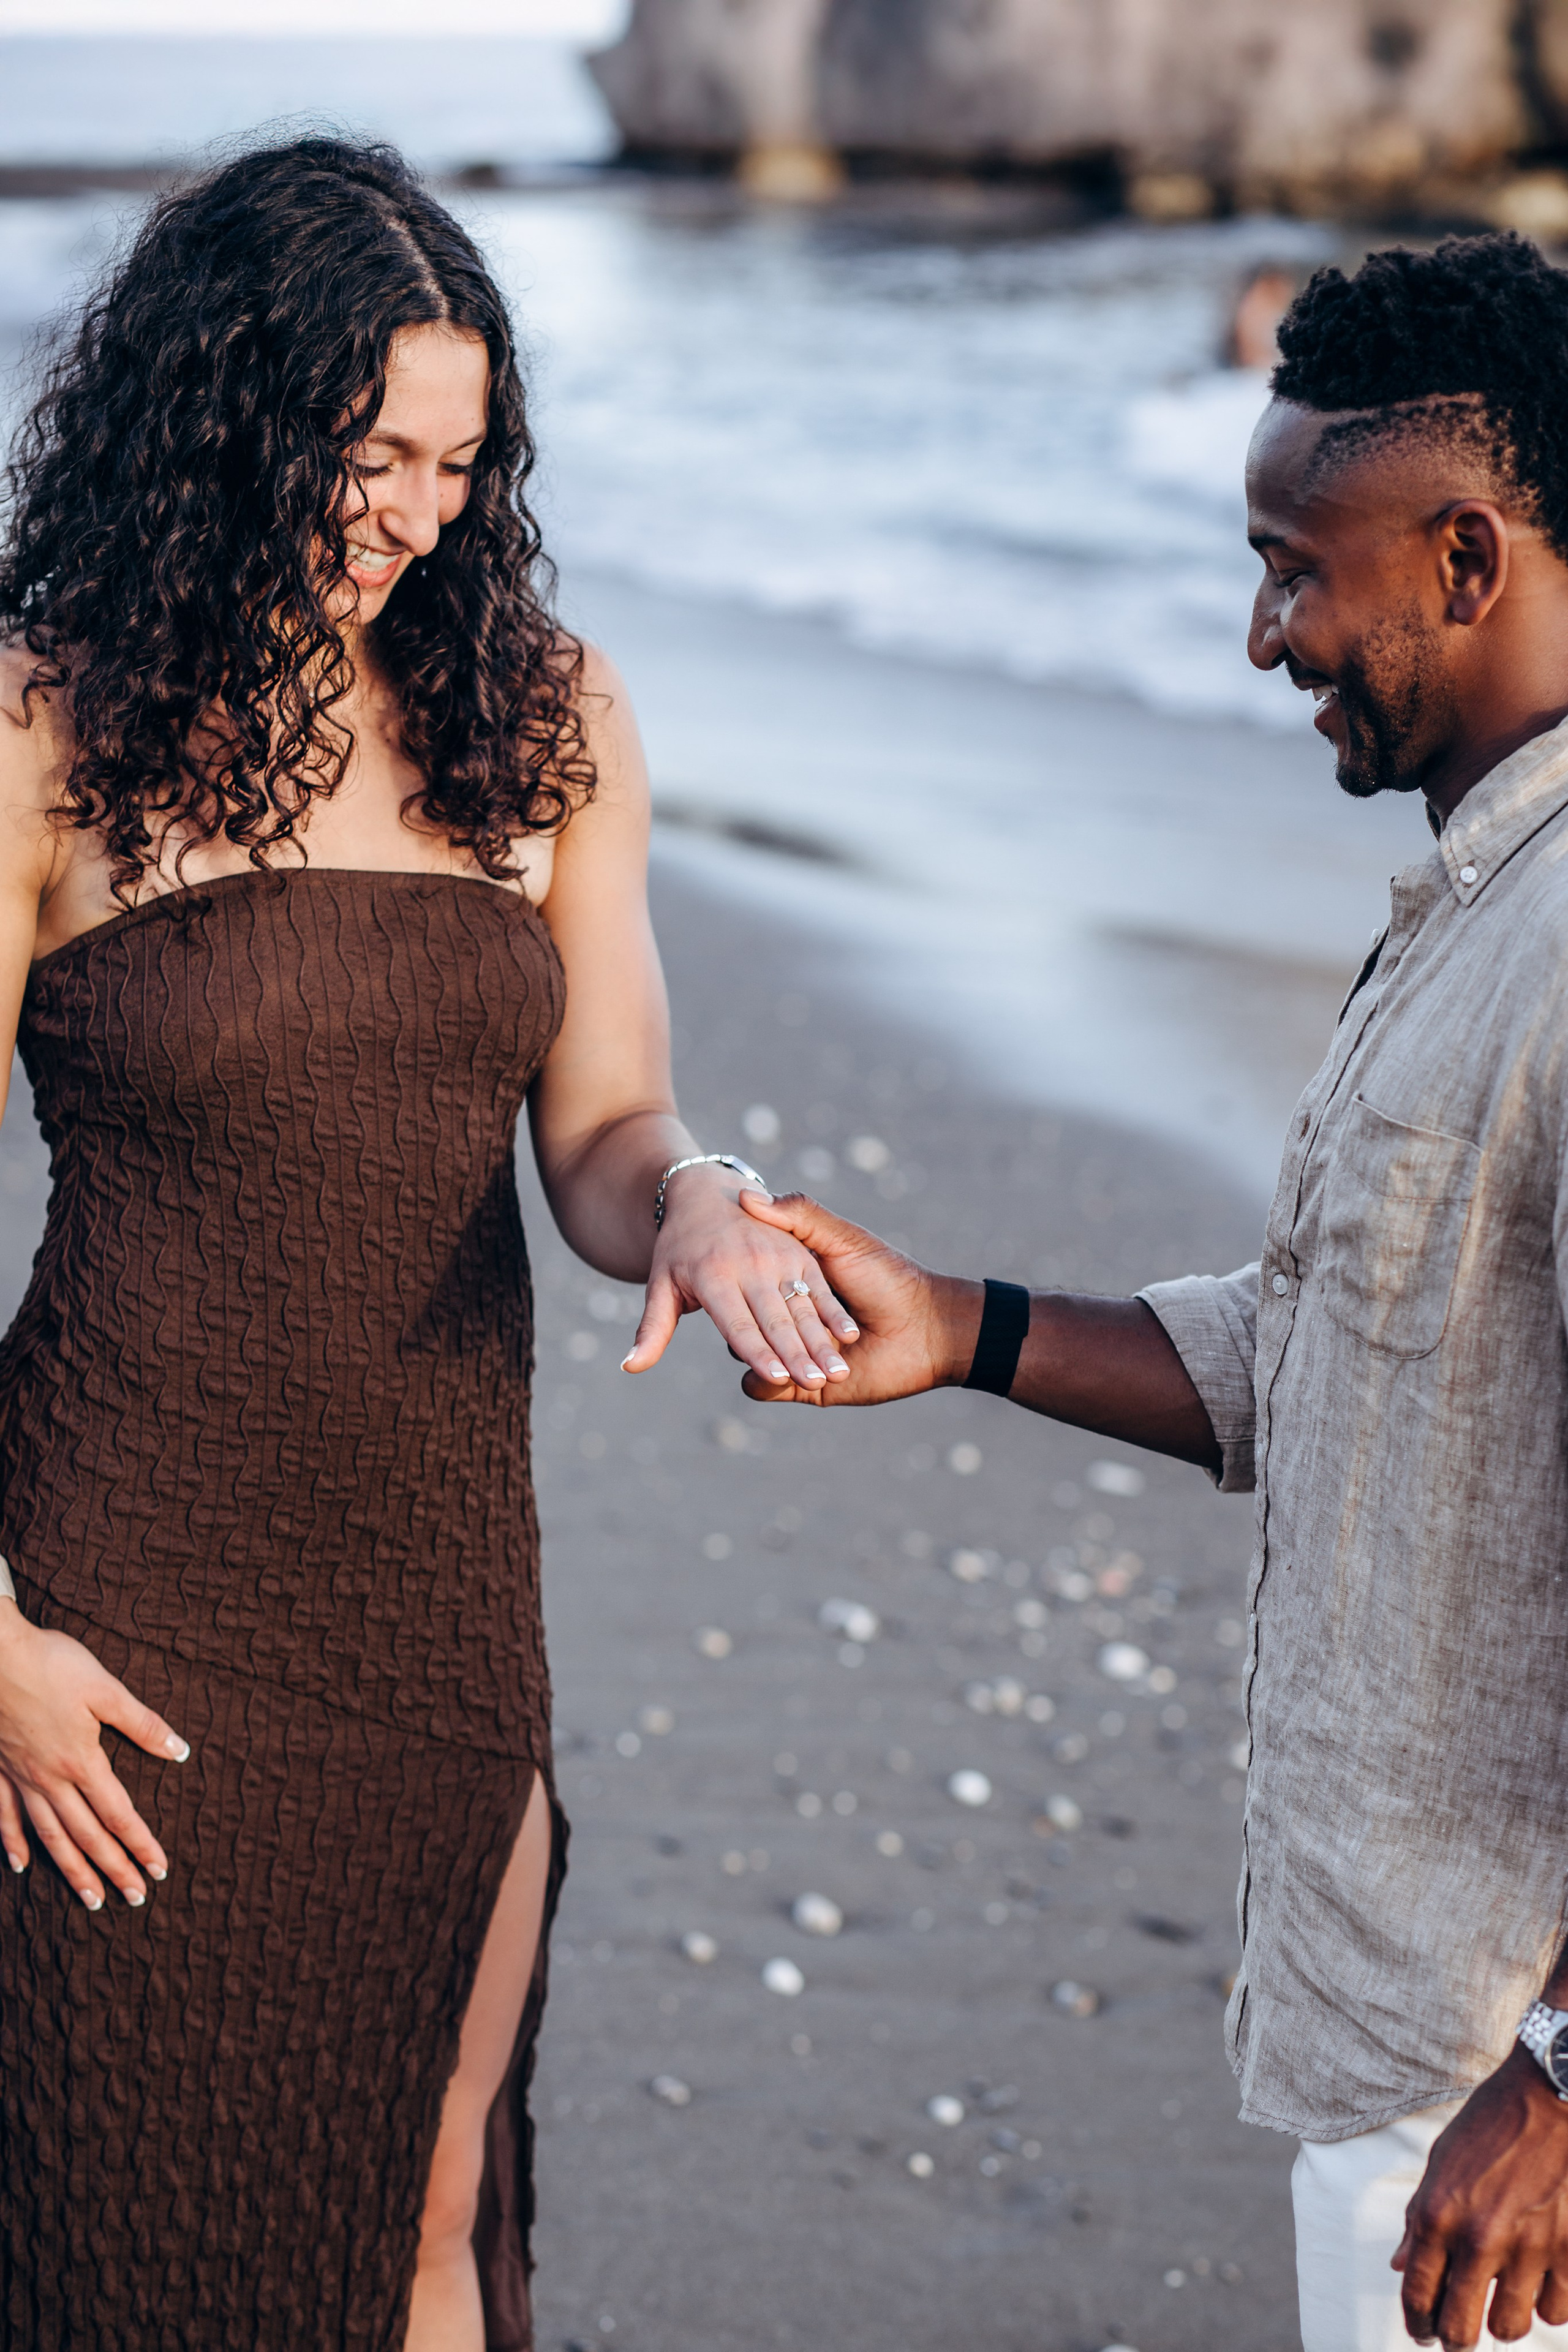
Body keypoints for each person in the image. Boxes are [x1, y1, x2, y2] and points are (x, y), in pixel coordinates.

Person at [0, 137, 859, 2352]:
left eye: (460, 466)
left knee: (431, 2204)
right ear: (219, 418)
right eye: (369, 456)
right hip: (104, 1614)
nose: (416, 514)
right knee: (99, 2240)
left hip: (438, 1601)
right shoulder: (38, 725)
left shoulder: (543, 713)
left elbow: (609, 1123)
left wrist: (697, 1199)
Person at [733, 232, 1568, 2351]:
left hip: (1498, 2117)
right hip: (1412, 2050)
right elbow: (1339, 1359)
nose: (1266, 634)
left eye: (1297, 571)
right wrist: (962, 1328)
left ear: (1467, 559)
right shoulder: (1480, 902)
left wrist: (1565, 2082)